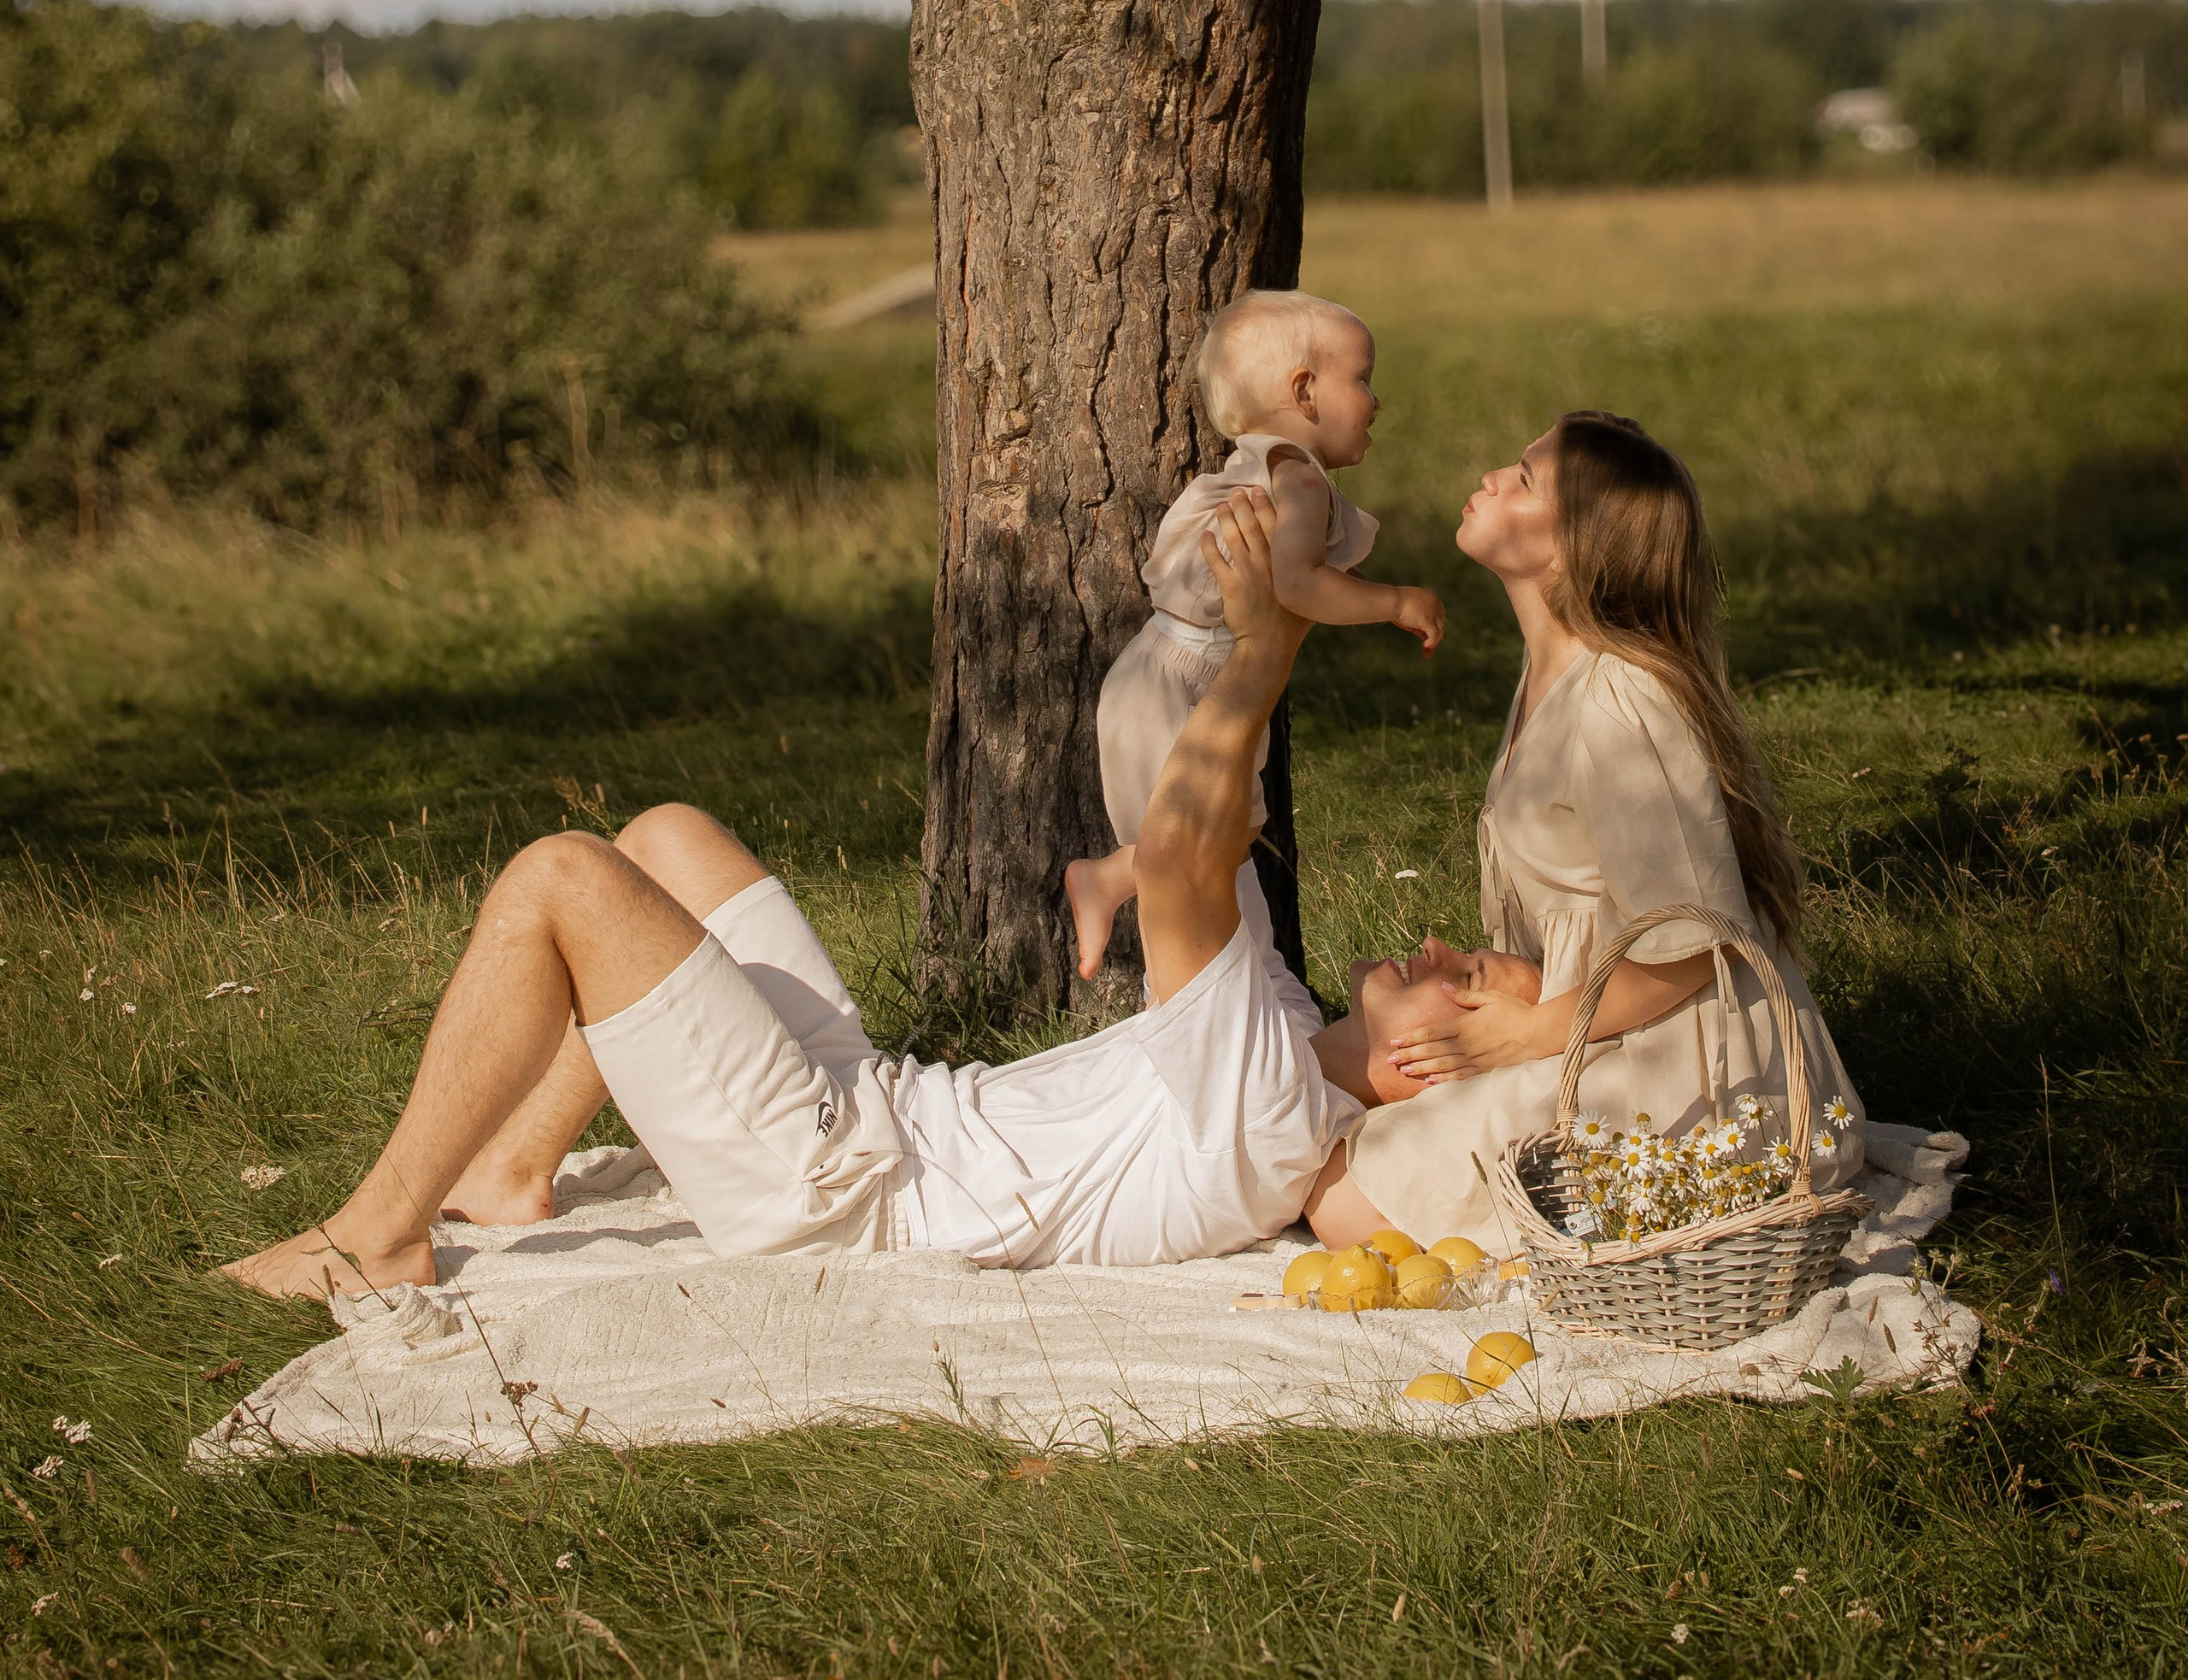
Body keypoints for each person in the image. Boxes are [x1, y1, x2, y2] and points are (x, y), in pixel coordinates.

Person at [221, 485, 1370, 1302]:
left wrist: (1270, 646)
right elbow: (1205, 811)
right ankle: (507, 1171)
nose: (1433, 954)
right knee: (664, 840)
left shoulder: (1273, 1113)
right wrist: (1260, 608)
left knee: (559, 880)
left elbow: (1180, 852)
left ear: (1420, 1062)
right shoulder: (1279, 1016)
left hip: (847, 1197)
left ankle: (376, 1238)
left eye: (1451, 979)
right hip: (878, 1111)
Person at [1301, 410, 1865, 1259]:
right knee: (1318, 1098)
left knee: (1345, 1201)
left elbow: (1692, 944)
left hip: (1686, 1065)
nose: (1492, 478)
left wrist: (1526, 1036)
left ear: (1570, 549)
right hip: (1587, 1023)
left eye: (1524, 480)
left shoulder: (1619, 699)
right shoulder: (1550, 675)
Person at [1065, 291, 1444, 994]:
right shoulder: (1296, 477)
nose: (1375, 401)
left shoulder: (1264, 468)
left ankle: (1136, 910)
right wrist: (1394, 601)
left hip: (1167, 674)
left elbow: (1294, 575)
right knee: (1200, 848)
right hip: (1180, 682)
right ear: (1304, 392)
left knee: (1220, 837)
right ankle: (1119, 889)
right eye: (1363, 379)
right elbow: (1299, 586)